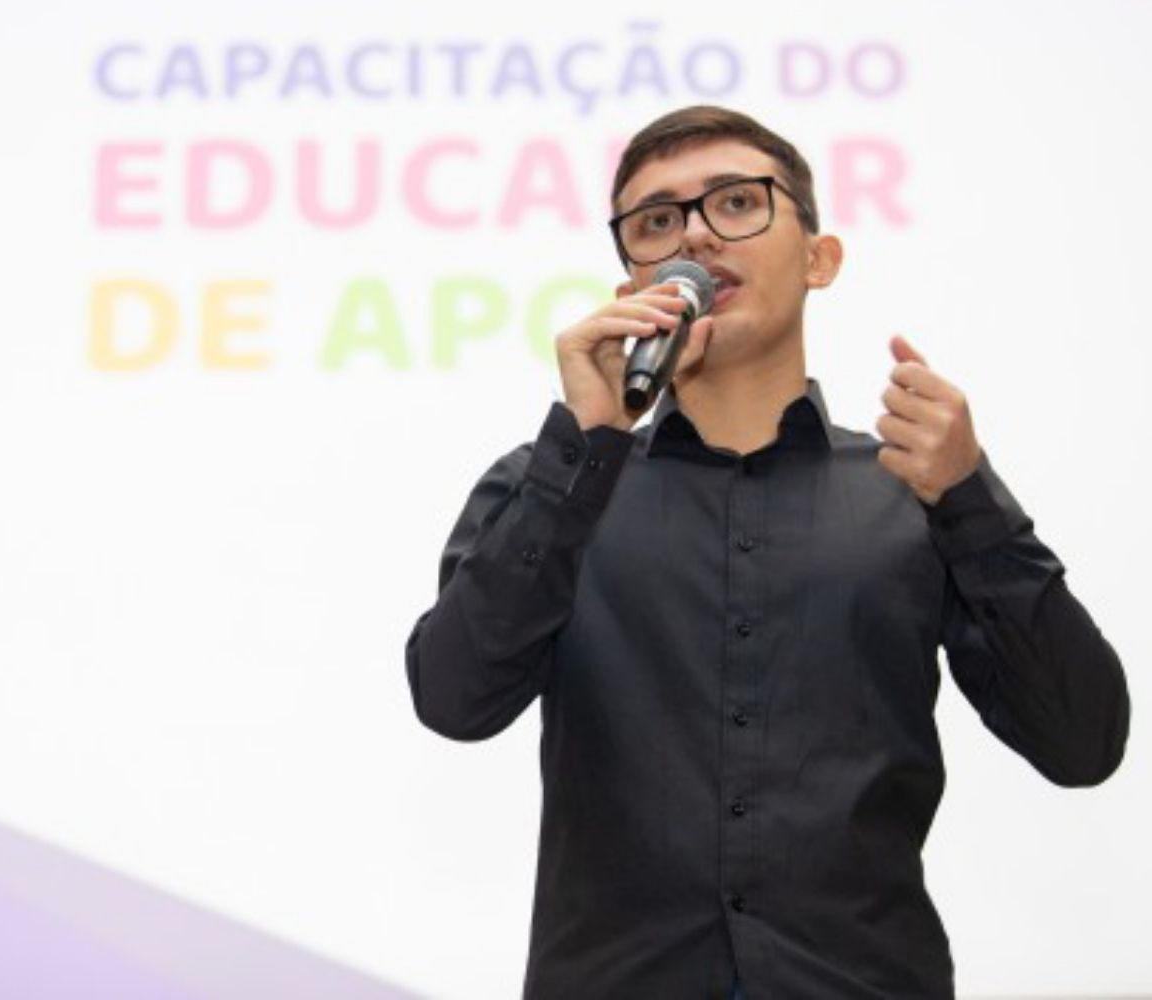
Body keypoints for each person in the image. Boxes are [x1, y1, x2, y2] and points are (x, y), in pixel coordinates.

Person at [403, 105, 1130, 999]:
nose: (697, 236)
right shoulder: (551, 488)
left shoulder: (917, 491)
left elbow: (1080, 742)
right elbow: (452, 700)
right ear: (632, 273)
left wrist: (971, 498)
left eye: (737, 203)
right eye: (657, 221)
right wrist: (582, 449)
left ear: (819, 258)